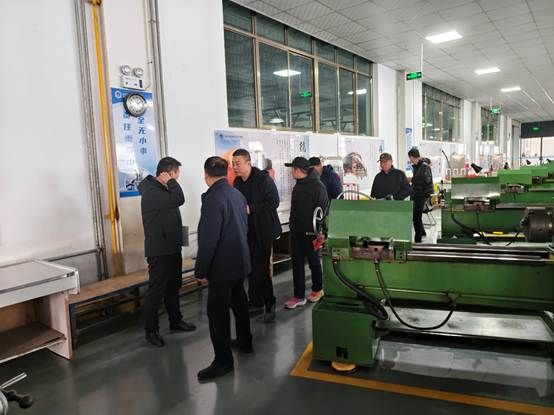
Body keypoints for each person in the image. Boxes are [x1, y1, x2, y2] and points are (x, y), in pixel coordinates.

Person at [195, 156, 253, 381]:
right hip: (240, 261)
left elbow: (209, 239)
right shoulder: (236, 194)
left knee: (217, 314)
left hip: (222, 267)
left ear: (206, 175)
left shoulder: (213, 198)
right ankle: (245, 342)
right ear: (226, 172)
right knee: (239, 303)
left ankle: (223, 362)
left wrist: (201, 270)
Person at [138, 157, 196, 348]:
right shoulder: (151, 192)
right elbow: (179, 198)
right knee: (156, 291)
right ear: (168, 173)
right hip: (159, 251)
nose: (177, 178)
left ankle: (175, 320)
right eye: (175, 175)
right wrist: (171, 181)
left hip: (172, 247)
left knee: (173, 286)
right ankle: (151, 331)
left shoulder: (162, 190)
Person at [232, 149, 282, 322]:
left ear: (248, 162)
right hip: (247, 231)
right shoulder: (237, 182)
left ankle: (270, 303)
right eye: (233, 164)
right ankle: (255, 302)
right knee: (250, 268)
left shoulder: (263, 179)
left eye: (238, 163)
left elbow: (274, 202)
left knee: (261, 269)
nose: (235, 167)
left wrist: (251, 208)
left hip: (264, 231)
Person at [284, 157, 329, 309]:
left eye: (292, 169)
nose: (291, 172)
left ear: (298, 170)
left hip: (312, 233)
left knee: (314, 262)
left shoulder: (318, 186)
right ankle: (299, 296)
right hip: (296, 233)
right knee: (296, 265)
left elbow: (323, 211)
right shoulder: (297, 187)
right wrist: (292, 225)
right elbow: (294, 210)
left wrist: (321, 232)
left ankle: (318, 289)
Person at [408, 148, 434, 243]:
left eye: (410, 158)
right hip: (416, 193)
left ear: (412, 157)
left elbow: (426, 180)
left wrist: (412, 180)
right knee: (416, 215)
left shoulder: (424, 167)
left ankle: (417, 238)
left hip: (422, 194)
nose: (410, 160)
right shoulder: (417, 166)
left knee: (416, 217)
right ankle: (422, 232)